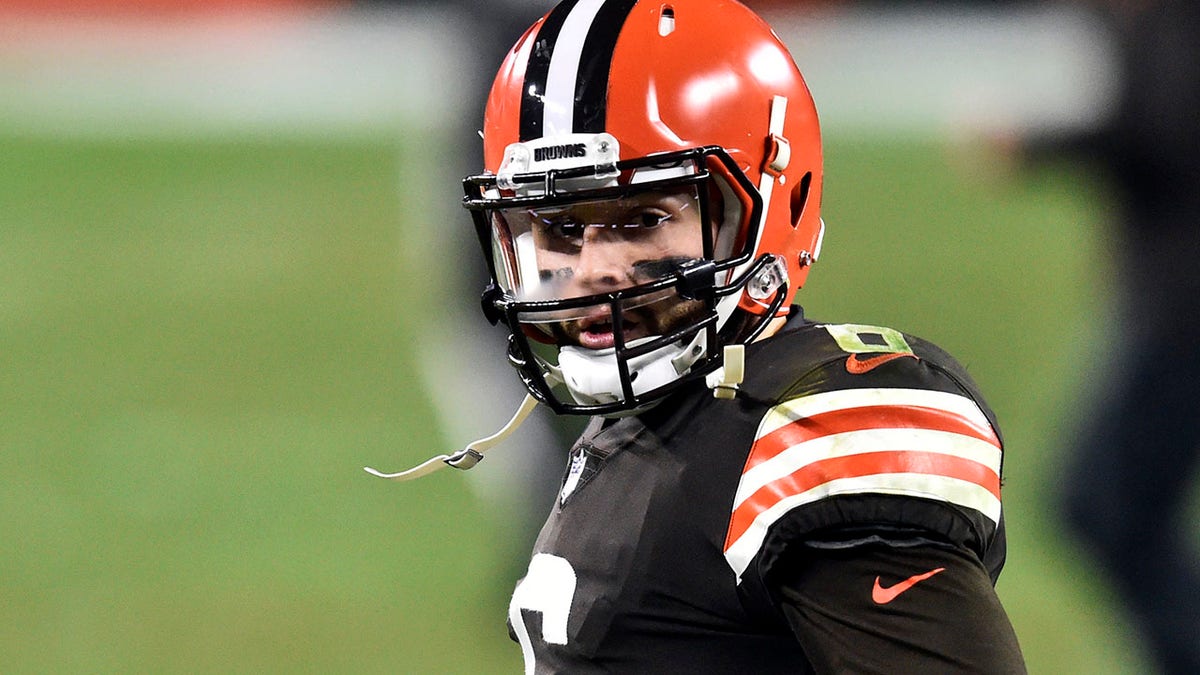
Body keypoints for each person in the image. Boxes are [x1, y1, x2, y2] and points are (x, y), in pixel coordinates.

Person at [375, 0, 1026, 670]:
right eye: (562, 227)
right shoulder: (655, 419)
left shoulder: (809, 437)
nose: (592, 268)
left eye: (642, 219)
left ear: (769, 204)